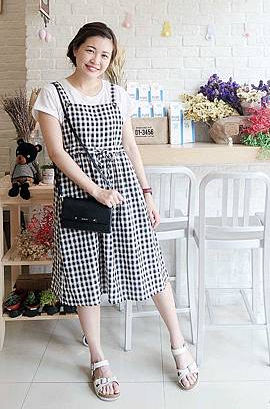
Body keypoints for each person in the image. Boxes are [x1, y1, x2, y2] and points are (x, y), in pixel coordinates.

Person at [33, 22, 199, 401]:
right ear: (76, 49)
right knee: (84, 273)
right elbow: (56, 153)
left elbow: (130, 147)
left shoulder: (117, 94)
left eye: (105, 55)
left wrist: (147, 194)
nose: (97, 60)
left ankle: (178, 344)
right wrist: (95, 190)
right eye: (91, 50)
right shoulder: (52, 94)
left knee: (150, 265)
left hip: (123, 189)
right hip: (79, 193)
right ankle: (98, 358)